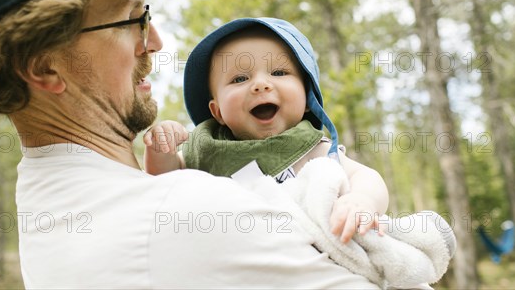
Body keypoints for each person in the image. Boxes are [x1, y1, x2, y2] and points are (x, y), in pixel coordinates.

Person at [0, 0, 384, 289]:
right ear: (44, 65)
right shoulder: (187, 215)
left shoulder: (44, 197)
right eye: (130, 18)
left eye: (148, 13)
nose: (155, 40)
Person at [145, 18, 389, 243]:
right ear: (217, 111)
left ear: (307, 99)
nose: (260, 84)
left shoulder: (312, 150)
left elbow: (366, 177)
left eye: (279, 73)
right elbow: (165, 178)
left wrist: (361, 201)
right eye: (239, 79)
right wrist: (161, 148)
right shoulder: (207, 150)